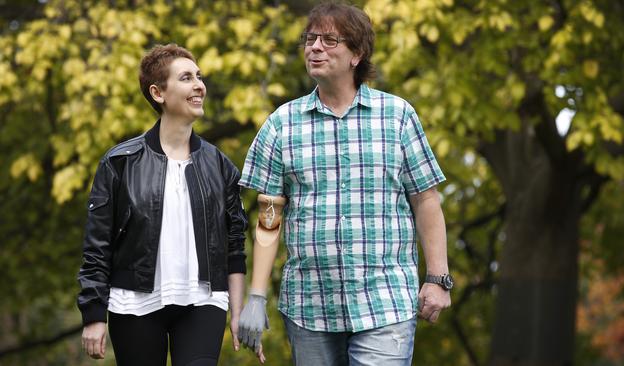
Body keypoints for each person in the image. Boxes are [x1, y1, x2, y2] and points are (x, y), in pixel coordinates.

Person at [237, 3, 452, 365]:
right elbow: (268, 215)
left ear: (357, 53)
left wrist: (438, 277)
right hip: (308, 307)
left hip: (385, 302)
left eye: (329, 40)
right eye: (311, 39)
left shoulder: (397, 116)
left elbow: (426, 200)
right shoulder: (282, 124)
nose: (315, 47)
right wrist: (256, 297)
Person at [76, 44, 248, 365]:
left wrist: (237, 312)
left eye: (199, 76)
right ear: (158, 93)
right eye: (186, 78)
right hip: (134, 304)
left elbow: (234, 246)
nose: (199, 85)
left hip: (203, 301)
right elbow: (97, 246)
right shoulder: (119, 163)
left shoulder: (219, 165)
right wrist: (94, 314)